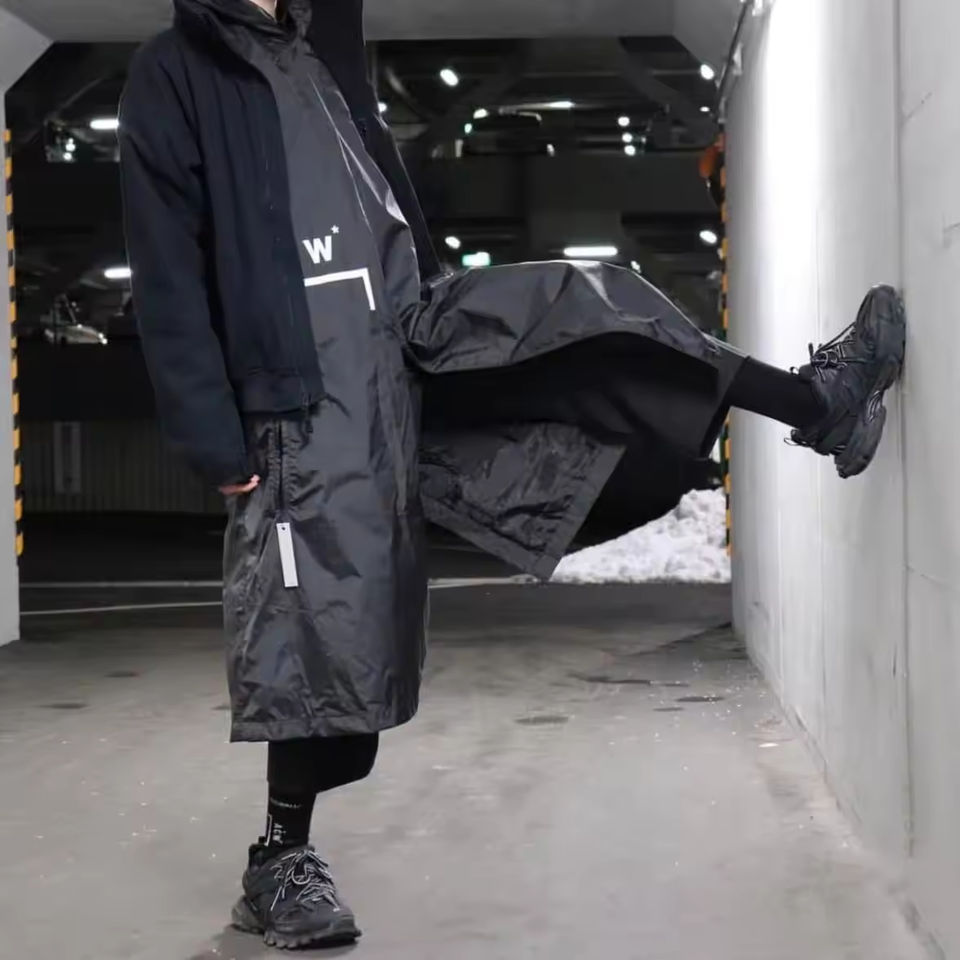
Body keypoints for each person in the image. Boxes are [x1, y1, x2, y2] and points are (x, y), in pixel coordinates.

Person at [118, 0, 906, 949]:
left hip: (408, 339)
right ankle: (280, 858)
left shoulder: (318, 45)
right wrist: (211, 433)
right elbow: (166, 265)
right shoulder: (177, 72)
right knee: (318, 622)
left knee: (595, 313)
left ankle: (818, 406)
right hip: (299, 403)